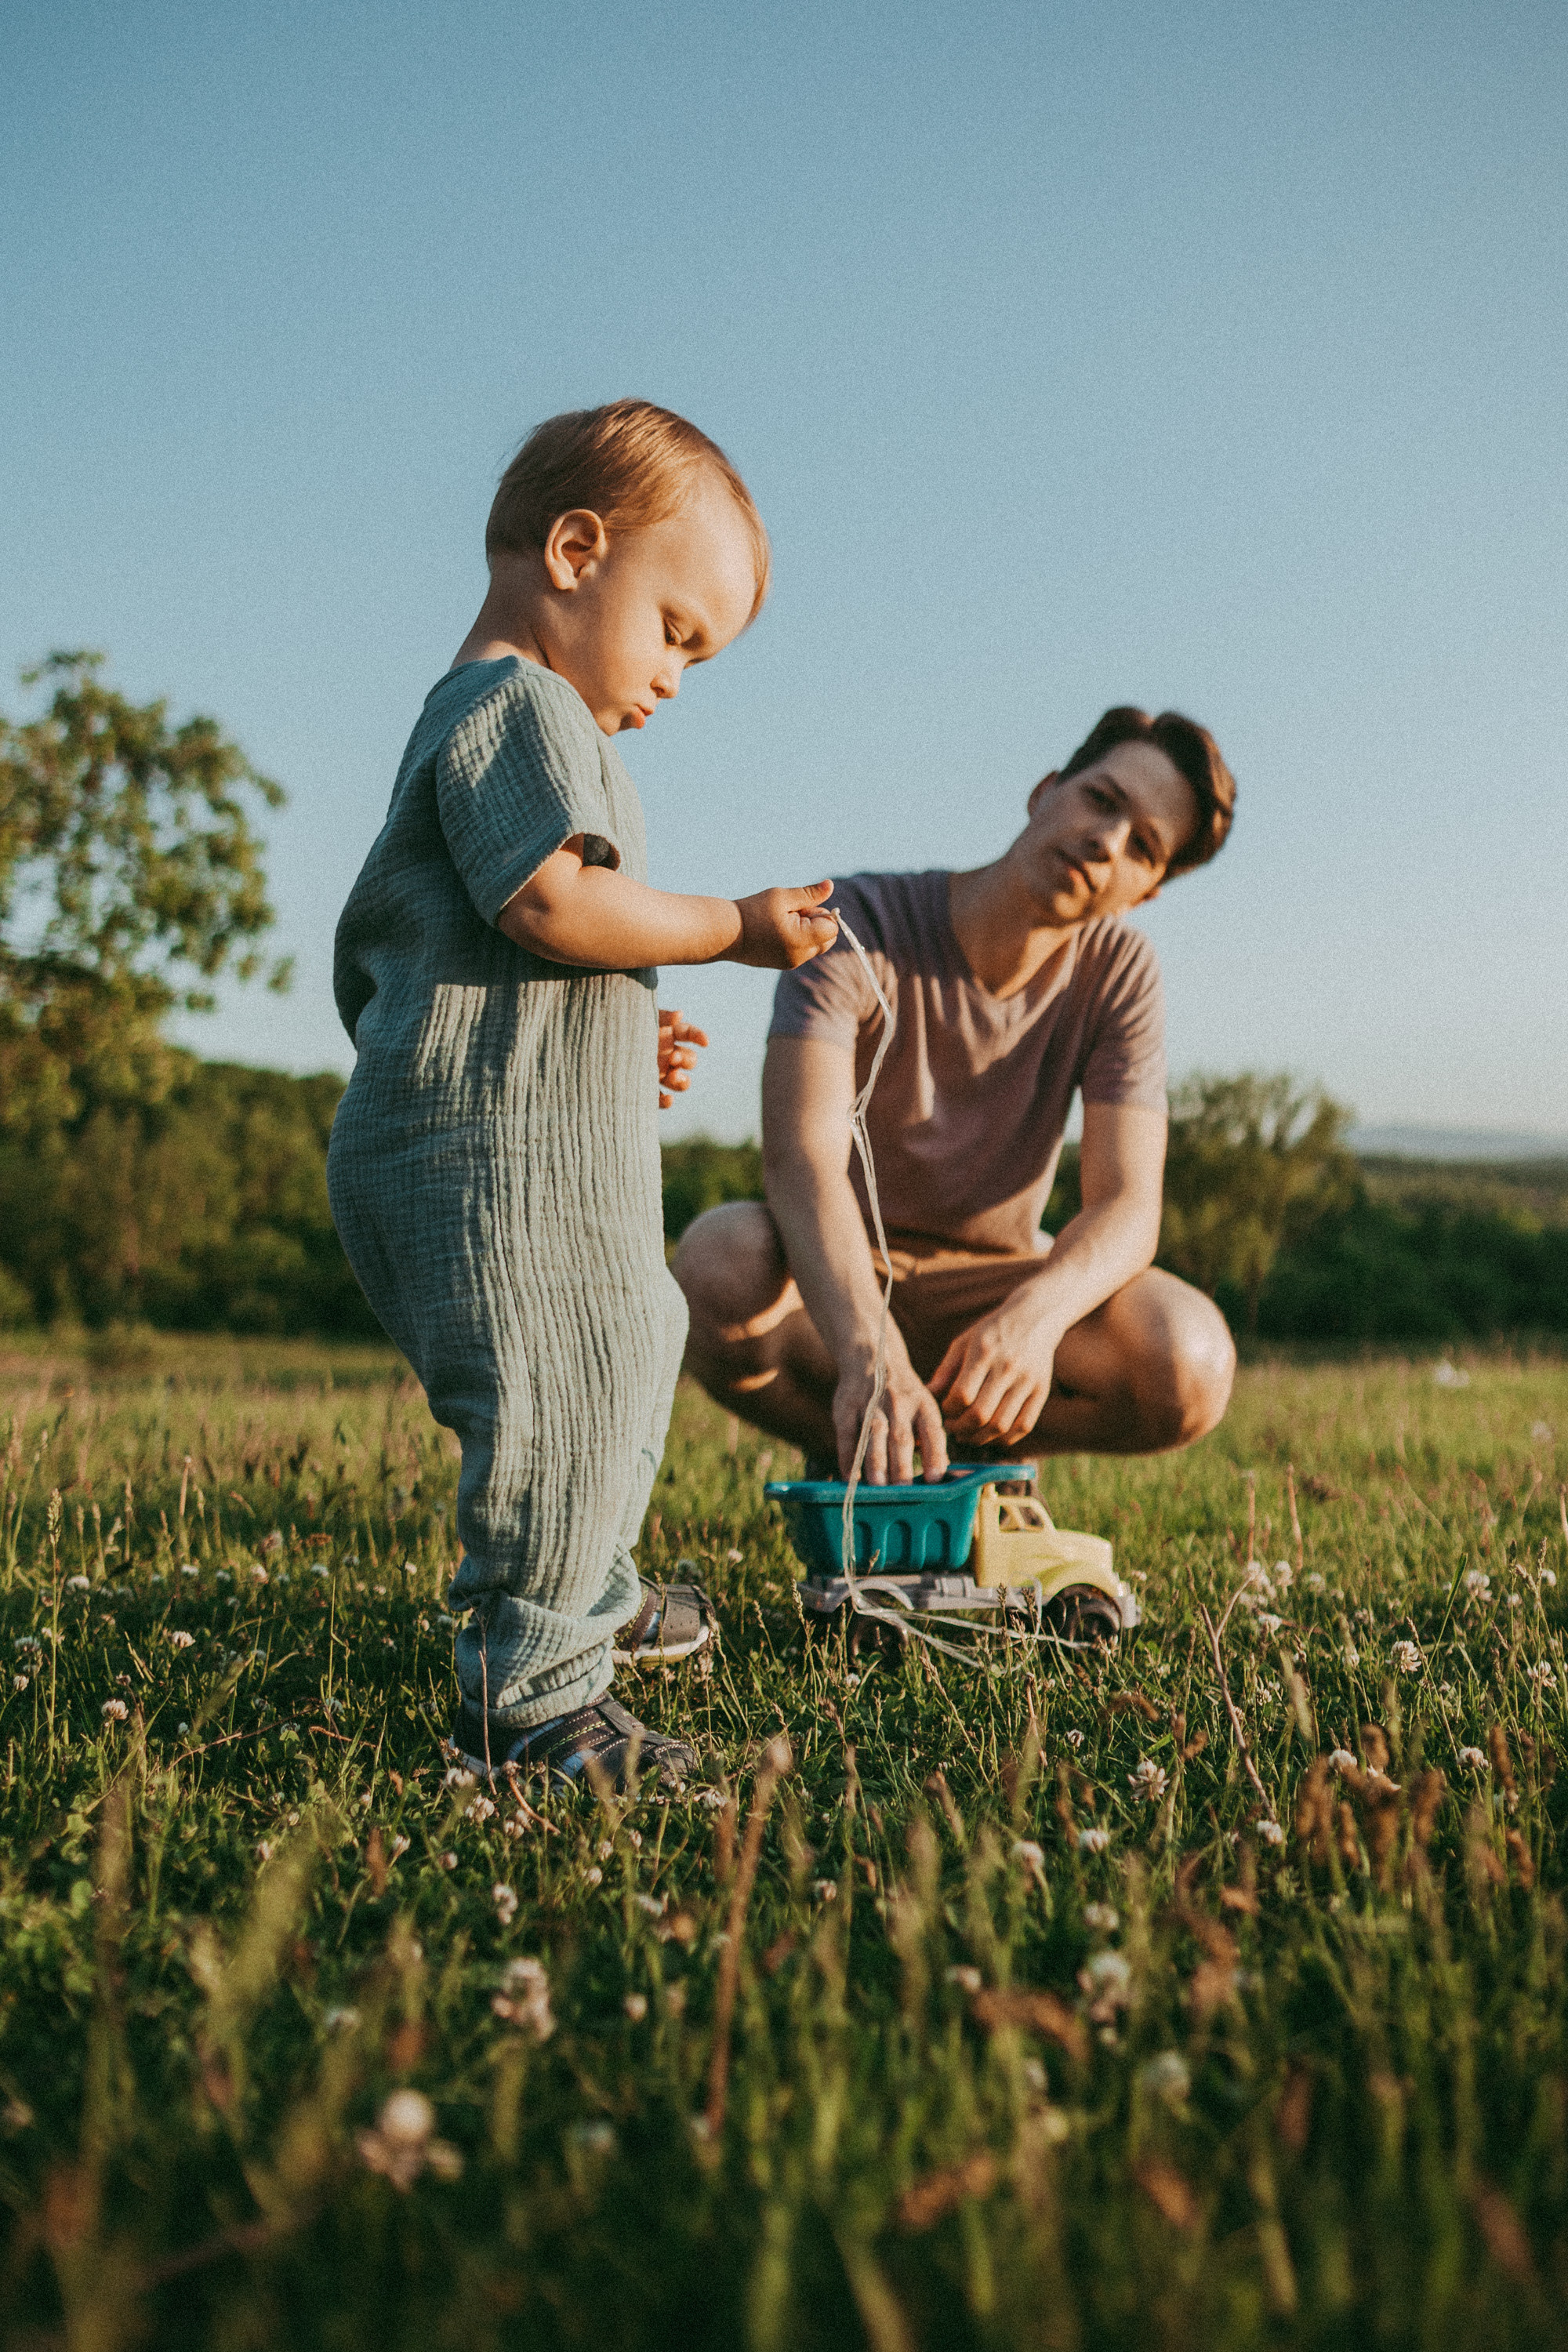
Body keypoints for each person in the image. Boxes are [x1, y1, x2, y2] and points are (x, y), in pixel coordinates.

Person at [328, 400, 837, 1790]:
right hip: (480, 1153)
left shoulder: (515, 712)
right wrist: (731, 926)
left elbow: (531, 946)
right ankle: (536, 1703)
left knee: (619, 1346)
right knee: (561, 1389)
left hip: (517, 1136)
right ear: (573, 548)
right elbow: (555, 900)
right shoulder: (516, 703)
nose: (677, 679)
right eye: (677, 631)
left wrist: (622, 1039)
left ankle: (592, 1593)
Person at [674, 707, 1238, 1486]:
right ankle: (864, 1445)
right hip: (837, 1277)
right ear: (1045, 790)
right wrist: (866, 1351)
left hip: (991, 1290)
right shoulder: (859, 927)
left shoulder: (1118, 972)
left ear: (1142, 892)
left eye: (1142, 846)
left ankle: (975, 1467)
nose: (1106, 840)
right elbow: (800, 1160)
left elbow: (1126, 1205)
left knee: (1189, 1357)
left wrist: (1032, 1323)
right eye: (1101, 800)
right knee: (717, 1261)